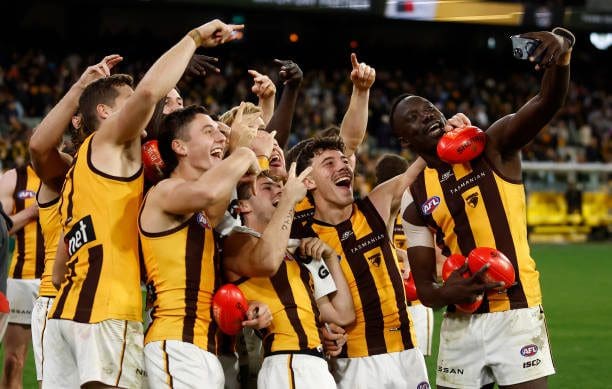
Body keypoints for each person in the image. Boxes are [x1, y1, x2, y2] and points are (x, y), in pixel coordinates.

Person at [40, 19, 244, 388]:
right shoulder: (111, 142)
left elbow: (57, 273)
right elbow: (149, 93)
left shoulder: (81, 171)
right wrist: (193, 38)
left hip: (64, 312)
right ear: (106, 113)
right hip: (107, 309)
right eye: (127, 98)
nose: (143, 108)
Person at [391, 28, 575, 389]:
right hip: (462, 324)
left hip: (517, 312)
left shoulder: (493, 147)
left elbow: (546, 103)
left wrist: (562, 55)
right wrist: (449, 293)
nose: (426, 115)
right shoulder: (414, 200)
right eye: (413, 118)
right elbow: (426, 288)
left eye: (429, 108)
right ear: (405, 140)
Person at [139, 104, 270, 388]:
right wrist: (244, 152)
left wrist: (237, 146)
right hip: (175, 342)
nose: (219, 138)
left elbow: (215, 200)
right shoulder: (164, 192)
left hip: (203, 348)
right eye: (208, 132)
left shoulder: (200, 212)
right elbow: (209, 191)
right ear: (180, 147)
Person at [294, 136, 429, 388]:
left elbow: (417, 170)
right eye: (329, 163)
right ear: (309, 181)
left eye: (344, 161)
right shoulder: (302, 238)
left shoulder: (374, 206)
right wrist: (323, 330)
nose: (342, 166)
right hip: (352, 363)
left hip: (407, 351)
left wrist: (444, 134)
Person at [28, 54, 122, 387]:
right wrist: (82, 85)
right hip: (59, 297)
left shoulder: (120, 170)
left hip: (101, 299)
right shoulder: (68, 168)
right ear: (80, 121)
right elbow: (39, 148)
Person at [222, 164, 354, 389]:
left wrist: (331, 257)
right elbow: (267, 261)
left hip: (317, 364)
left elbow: (342, 315)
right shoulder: (238, 240)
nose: (279, 191)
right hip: (287, 363)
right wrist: (289, 201)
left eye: (281, 187)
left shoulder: (295, 251)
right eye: (267, 188)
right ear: (243, 205)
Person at [374, 153, 435, 358]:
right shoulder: (421, 210)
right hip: (416, 297)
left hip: (386, 297)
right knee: (415, 369)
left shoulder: (372, 210)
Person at [0, 162, 43, 388]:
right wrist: (30, 212)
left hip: (63, 283)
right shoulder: (14, 178)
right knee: (13, 361)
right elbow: (0, 227)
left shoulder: (71, 172)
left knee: (58, 367)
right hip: (21, 278)